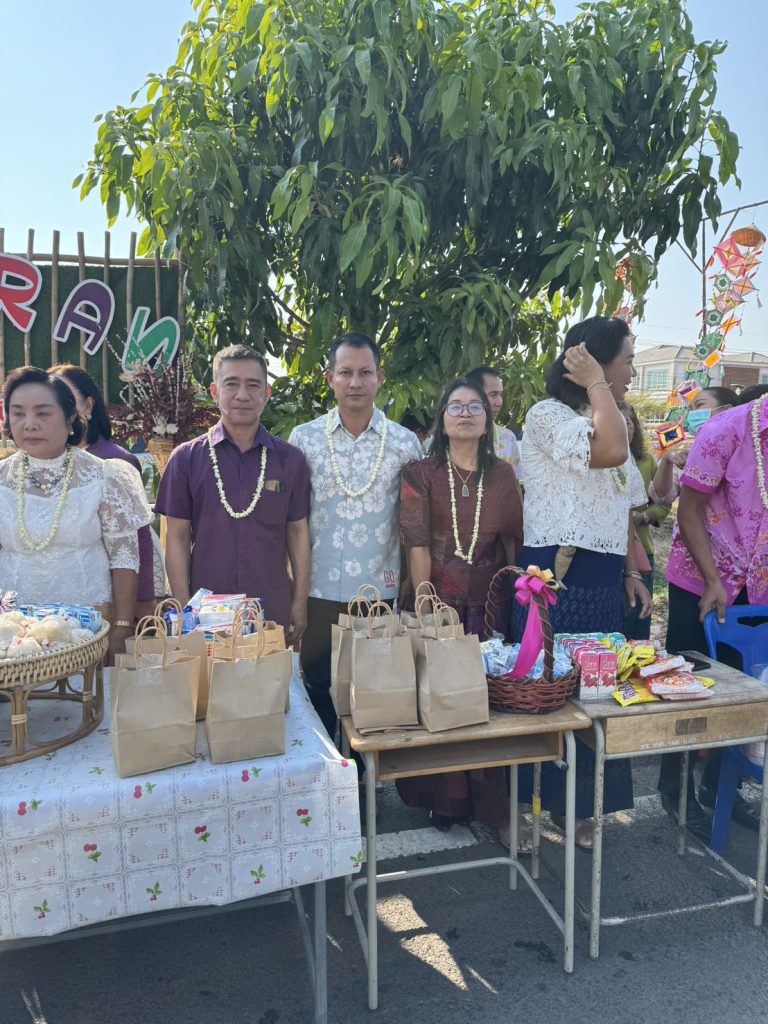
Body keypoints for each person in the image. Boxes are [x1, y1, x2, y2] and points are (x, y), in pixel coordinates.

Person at [513, 316, 651, 849]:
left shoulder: (611, 417)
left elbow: (623, 505)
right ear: (593, 361)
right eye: (627, 361)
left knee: (595, 692)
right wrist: (596, 383)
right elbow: (609, 452)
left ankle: (580, 808)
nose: (632, 372)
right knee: (543, 694)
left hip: (602, 577)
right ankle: (525, 805)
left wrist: (632, 570)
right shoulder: (548, 415)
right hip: (554, 577)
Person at [396, 376, 524, 846]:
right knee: (441, 697)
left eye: (475, 406)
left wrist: (522, 602)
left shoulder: (503, 475)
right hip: (437, 599)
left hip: (489, 605)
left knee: (490, 703)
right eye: (456, 406)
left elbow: (513, 543)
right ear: (442, 418)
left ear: (488, 420)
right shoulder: (419, 473)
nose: (465, 413)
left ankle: (496, 807)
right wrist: (425, 602)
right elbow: (415, 542)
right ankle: (444, 800)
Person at [288, 333, 423, 738]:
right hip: (318, 591)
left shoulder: (405, 443)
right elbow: (292, 521)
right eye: (345, 373)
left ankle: (366, 773)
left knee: (372, 693)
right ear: (330, 378)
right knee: (317, 689)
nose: (355, 383)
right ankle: (329, 769)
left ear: (380, 377)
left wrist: (412, 585)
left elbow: (415, 523)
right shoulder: (304, 439)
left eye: (365, 373)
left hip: (377, 591)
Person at [656, 391, 768, 840]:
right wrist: (712, 580)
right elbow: (689, 510)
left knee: (745, 692)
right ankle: (676, 790)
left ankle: (723, 787)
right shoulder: (726, 430)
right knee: (689, 687)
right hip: (701, 581)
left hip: (758, 587)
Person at [155, 344, 311, 640]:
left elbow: (298, 532)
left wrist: (300, 602)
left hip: (272, 610)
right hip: (205, 613)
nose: (242, 395)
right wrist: (185, 608)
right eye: (231, 384)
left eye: (253, 385)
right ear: (215, 392)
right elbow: (176, 537)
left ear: (266, 394)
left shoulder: (289, 460)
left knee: (275, 672)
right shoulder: (186, 459)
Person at [0, 366, 152, 663]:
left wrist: (122, 626)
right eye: (18, 413)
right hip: (16, 637)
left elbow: (124, 557)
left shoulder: (104, 475)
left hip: (90, 630)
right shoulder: (2, 478)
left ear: (71, 418)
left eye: (43, 413)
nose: (29, 424)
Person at [50, 363, 155, 619]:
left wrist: (139, 607)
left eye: (66, 399)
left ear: (88, 405)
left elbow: (138, 542)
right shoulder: (41, 463)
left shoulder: (113, 463)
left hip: (104, 604)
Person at [618, 402, 671, 641]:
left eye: (627, 422)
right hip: (611, 553)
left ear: (635, 427)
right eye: (616, 421)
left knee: (638, 615)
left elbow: (662, 502)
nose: (623, 427)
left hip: (641, 551)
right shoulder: (598, 461)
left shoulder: (646, 461)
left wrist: (644, 516)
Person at [466, 366, 523, 479]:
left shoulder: (507, 438)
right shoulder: (452, 437)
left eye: (500, 395)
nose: (499, 403)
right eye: (493, 395)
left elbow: (514, 483)